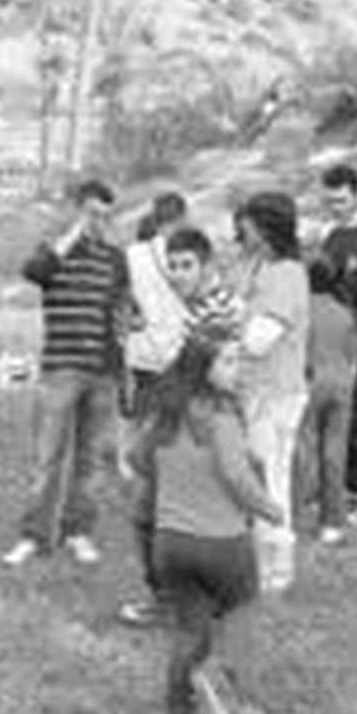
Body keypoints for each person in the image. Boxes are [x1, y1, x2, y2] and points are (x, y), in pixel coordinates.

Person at [128, 333, 283, 714]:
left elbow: (137, 459)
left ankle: (179, 712)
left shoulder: (164, 414)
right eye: (228, 361)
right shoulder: (221, 419)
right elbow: (236, 476)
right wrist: (271, 510)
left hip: (170, 544)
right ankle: (242, 709)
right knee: (240, 623)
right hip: (223, 544)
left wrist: (178, 481)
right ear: (203, 368)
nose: (237, 369)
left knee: (189, 630)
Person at [119, 225, 243, 628]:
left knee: (150, 515)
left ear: (207, 265)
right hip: (196, 425)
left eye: (186, 265)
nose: (176, 274)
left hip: (196, 429)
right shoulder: (207, 304)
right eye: (172, 266)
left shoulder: (215, 311)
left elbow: (200, 377)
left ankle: (170, 601)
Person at [4, 179, 130, 567]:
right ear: (75, 210)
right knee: (47, 459)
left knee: (90, 461)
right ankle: (34, 536)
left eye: (105, 216)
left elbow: (123, 311)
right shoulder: (53, 252)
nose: (98, 222)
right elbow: (33, 272)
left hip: (103, 372)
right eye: (91, 213)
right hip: (60, 370)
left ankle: (79, 532)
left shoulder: (114, 258)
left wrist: (122, 363)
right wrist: (73, 235)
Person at [235, 191, 310, 595]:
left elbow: (257, 340)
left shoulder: (286, 274)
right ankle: (260, 564)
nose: (241, 231)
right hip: (257, 391)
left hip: (276, 395)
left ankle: (276, 572)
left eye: (247, 225)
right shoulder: (260, 268)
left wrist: (228, 333)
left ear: (265, 228)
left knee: (271, 481)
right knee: (258, 479)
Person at [319, 163, 357, 506]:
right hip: (331, 340)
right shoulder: (326, 234)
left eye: (341, 200)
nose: (335, 207)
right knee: (332, 414)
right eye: (329, 201)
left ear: (356, 196)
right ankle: (336, 484)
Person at [297, 253, 357, 545]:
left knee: (304, 453)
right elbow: (354, 355)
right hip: (342, 384)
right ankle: (332, 522)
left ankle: (297, 515)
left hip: (310, 382)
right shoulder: (344, 312)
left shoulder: (303, 309)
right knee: (335, 454)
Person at [121, 191, 191, 458]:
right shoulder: (186, 255)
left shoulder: (132, 254)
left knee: (140, 408)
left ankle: (130, 459)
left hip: (142, 346)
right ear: (181, 217)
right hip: (176, 347)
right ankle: (146, 457)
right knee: (169, 415)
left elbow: (121, 295)